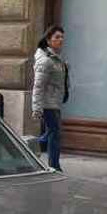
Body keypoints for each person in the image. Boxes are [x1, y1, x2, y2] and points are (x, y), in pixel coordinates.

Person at [32, 24, 69, 172]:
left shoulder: (55, 58)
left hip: (55, 103)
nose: (61, 40)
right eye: (57, 37)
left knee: (51, 133)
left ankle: (24, 150)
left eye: (62, 37)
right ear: (48, 40)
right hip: (48, 104)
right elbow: (38, 86)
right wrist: (36, 108)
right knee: (55, 133)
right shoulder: (45, 61)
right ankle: (54, 166)